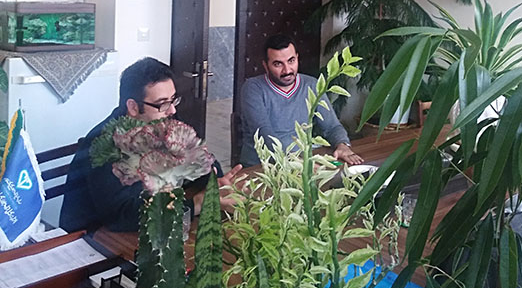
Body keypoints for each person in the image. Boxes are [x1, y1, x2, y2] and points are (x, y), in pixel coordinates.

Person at [60, 57, 242, 232]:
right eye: (162, 104)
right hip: (92, 238)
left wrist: (214, 181)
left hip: (151, 226)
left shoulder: (162, 120)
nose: (172, 110)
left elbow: (202, 160)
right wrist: (196, 204)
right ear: (133, 107)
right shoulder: (105, 145)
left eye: (173, 99)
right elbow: (121, 215)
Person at [239, 34, 364, 167]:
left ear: (297, 58)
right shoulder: (253, 88)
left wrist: (342, 145)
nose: (287, 70)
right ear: (265, 65)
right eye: (278, 64)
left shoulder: (312, 85)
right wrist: (295, 163)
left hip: (304, 163)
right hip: (262, 166)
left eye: (291, 61)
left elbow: (332, 126)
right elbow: (264, 133)